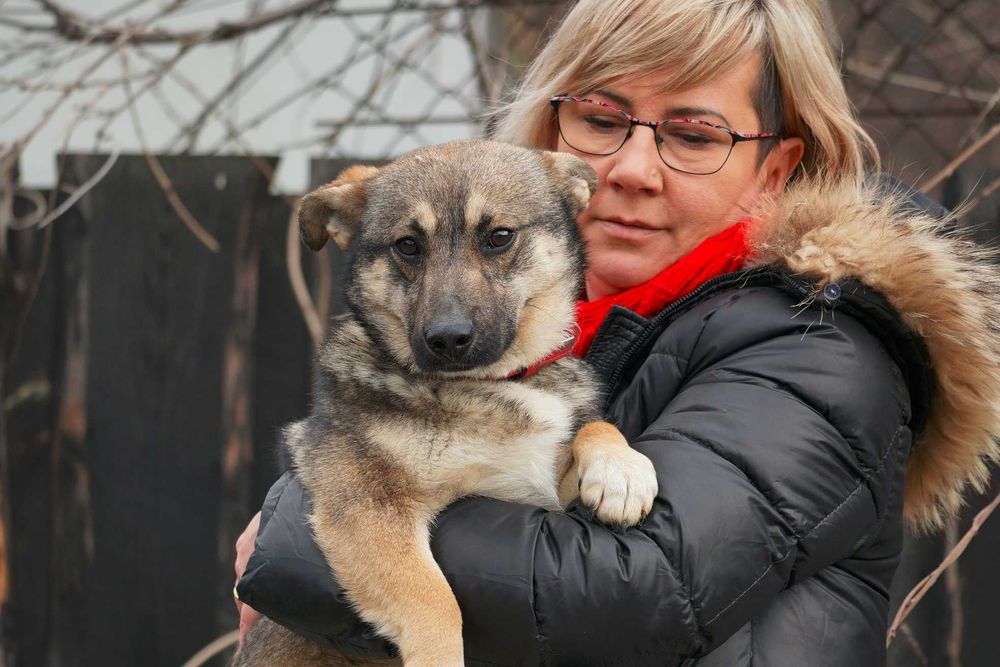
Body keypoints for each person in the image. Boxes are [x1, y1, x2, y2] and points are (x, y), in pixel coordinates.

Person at [234, 0, 1000, 664]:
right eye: (601, 119)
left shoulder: (823, 341)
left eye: (694, 136)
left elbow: (638, 590)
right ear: (551, 131)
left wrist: (297, 540)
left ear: (775, 168)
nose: (631, 167)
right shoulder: (545, 339)